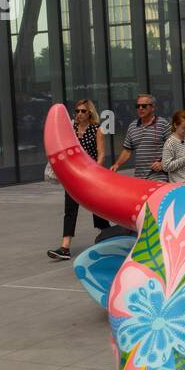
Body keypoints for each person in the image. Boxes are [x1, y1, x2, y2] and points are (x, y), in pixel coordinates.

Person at [47, 99, 110, 260]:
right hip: (74, 176)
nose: (79, 114)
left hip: (91, 175)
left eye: (83, 111)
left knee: (98, 208)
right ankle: (65, 247)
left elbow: (101, 153)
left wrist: (96, 171)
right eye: (77, 111)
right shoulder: (71, 130)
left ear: (90, 113)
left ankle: (108, 238)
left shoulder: (97, 129)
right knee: (70, 210)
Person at [111, 94, 170, 180]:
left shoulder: (163, 124)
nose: (140, 108)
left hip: (159, 175)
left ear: (153, 107)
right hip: (140, 176)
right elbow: (127, 150)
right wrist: (117, 164)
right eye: (138, 106)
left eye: (144, 106)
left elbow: (173, 147)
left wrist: (163, 163)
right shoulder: (132, 126)